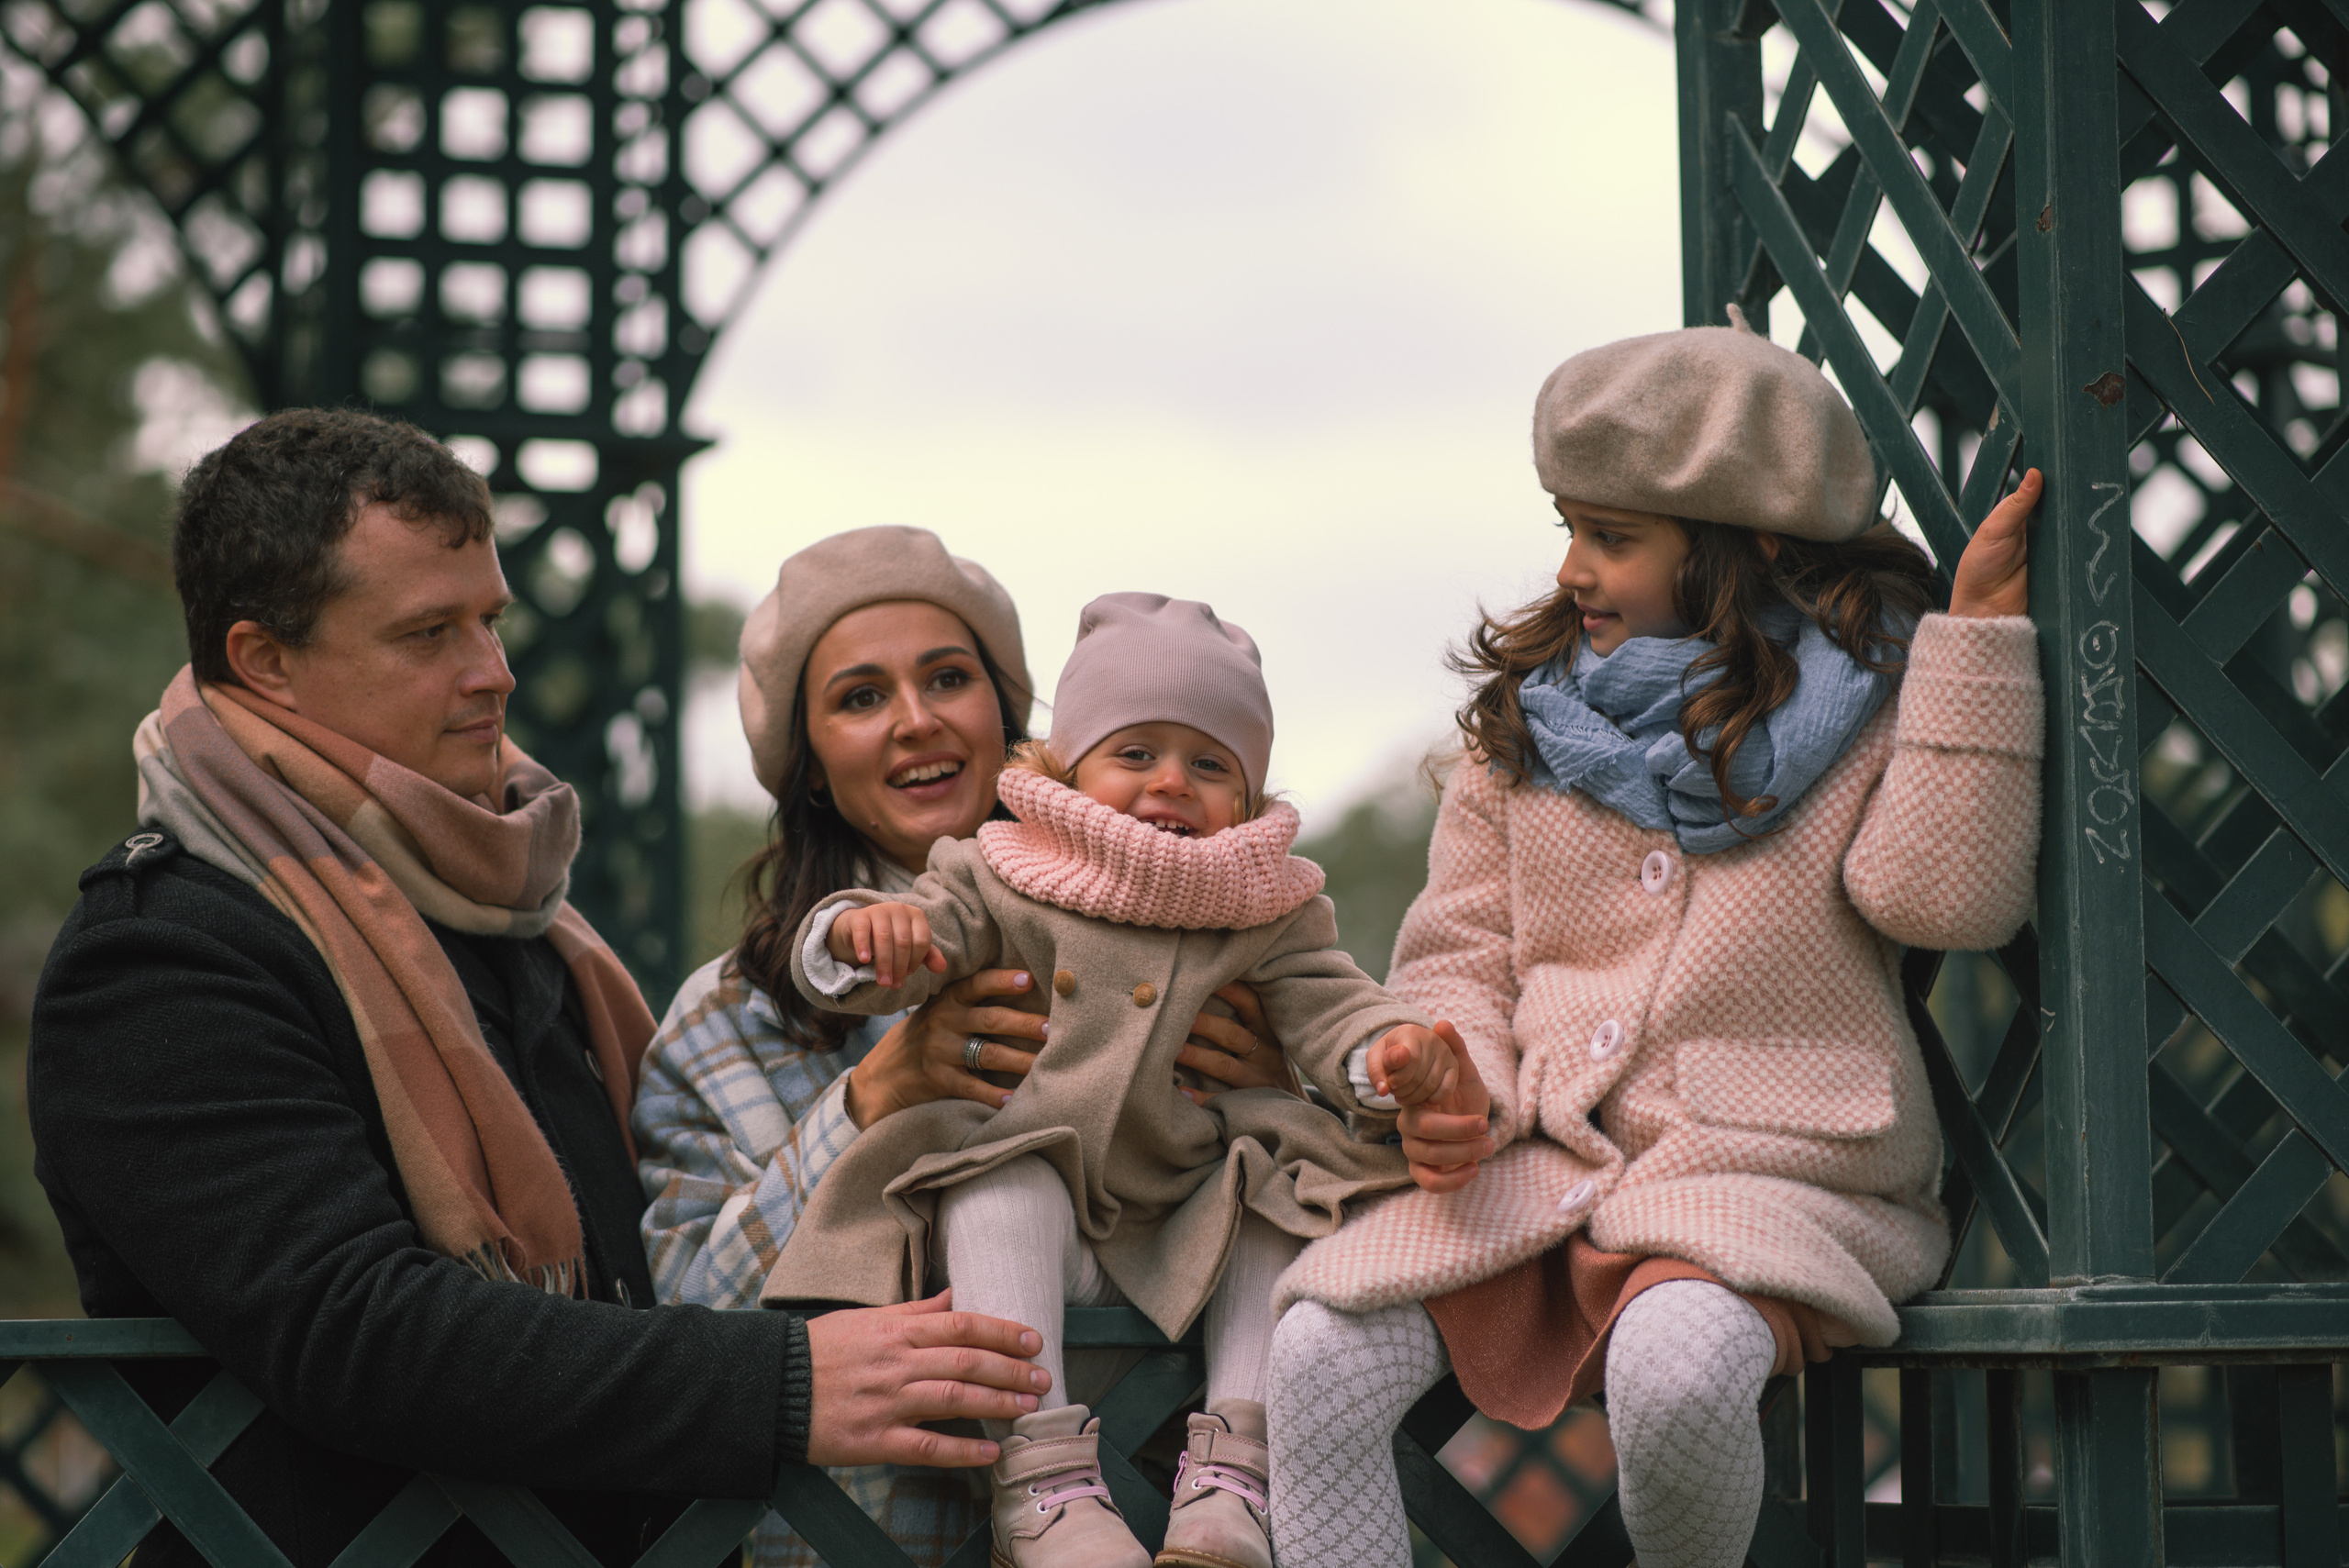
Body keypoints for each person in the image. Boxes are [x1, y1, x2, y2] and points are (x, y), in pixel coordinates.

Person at [26, 410, 1050, 1568]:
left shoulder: (511, 919)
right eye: (429, 634)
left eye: (492, 620)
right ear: (266, 662)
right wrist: (783, 1380)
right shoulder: (162, 955)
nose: (493, 672)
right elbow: (356, 1328)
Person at [1262, 315, 2045, 1568]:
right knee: (1314, 1352)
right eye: (1566, 526)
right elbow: (1460, 952)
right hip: (1539, 1168)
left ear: (1753, 542)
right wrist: (1450, 1064)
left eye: (1613, 537)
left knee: (1675, 1377)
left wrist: (1984, 636)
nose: (1575, 568)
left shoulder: (1883, 697)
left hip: (1772, 1169)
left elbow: (1945, 903)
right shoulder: (1526, 728)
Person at [632, 535, 1298, 1567]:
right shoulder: (729, 1020)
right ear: (809, 767)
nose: (915, 718)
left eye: (948, 677)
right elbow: (674, 1332)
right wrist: (869, 1098)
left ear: (1013, 718)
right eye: (859, 697)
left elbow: (1285, 1259)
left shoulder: (1213, 960)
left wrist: (1266, 1094)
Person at [770, 591, 1431, 1568]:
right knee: (995, 1175)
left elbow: (1333, 1003)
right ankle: (1042, 1486)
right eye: (1135, 752)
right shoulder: (1003, 868)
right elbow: (918, 939)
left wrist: (1383, 1056)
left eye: (1209, 764)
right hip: (1049, 1244)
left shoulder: (1267, 907)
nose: (1170, 781)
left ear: (1246, 802)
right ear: (1067, 768)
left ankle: (1234, 1480)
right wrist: (865, 933)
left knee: (1278, 1192)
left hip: (1185, 1224)